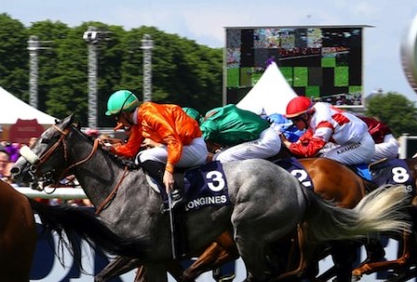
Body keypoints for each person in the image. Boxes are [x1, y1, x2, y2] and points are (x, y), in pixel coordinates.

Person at [103, 89, 208, 259]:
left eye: (117, 117)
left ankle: (174, 193)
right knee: (140, 156)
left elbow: (173, 141)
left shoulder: (149, 114)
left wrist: (168, 171)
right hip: (183, 147)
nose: (118, 122)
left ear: (124, 113)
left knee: (144, 156)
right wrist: (109, 149)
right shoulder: (138, 123)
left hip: (193, 149)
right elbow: (130, 149)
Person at [285, 96, 375, 172]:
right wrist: (297, 143)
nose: (294, 124)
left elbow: (310, 151)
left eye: (295, 120)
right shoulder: (316, 110)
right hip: (354, 141)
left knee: (327, 160)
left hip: (361, 145)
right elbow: (311, 132)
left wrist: (287, 144)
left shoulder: (323, 122)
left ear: (305, 116)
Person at [199, 103, 283, 162]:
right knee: (218, 156)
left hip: (267, 140)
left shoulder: (210, 123)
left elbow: (199, 139)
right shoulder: (222, 117)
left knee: (221, 158)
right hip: (267, 137)